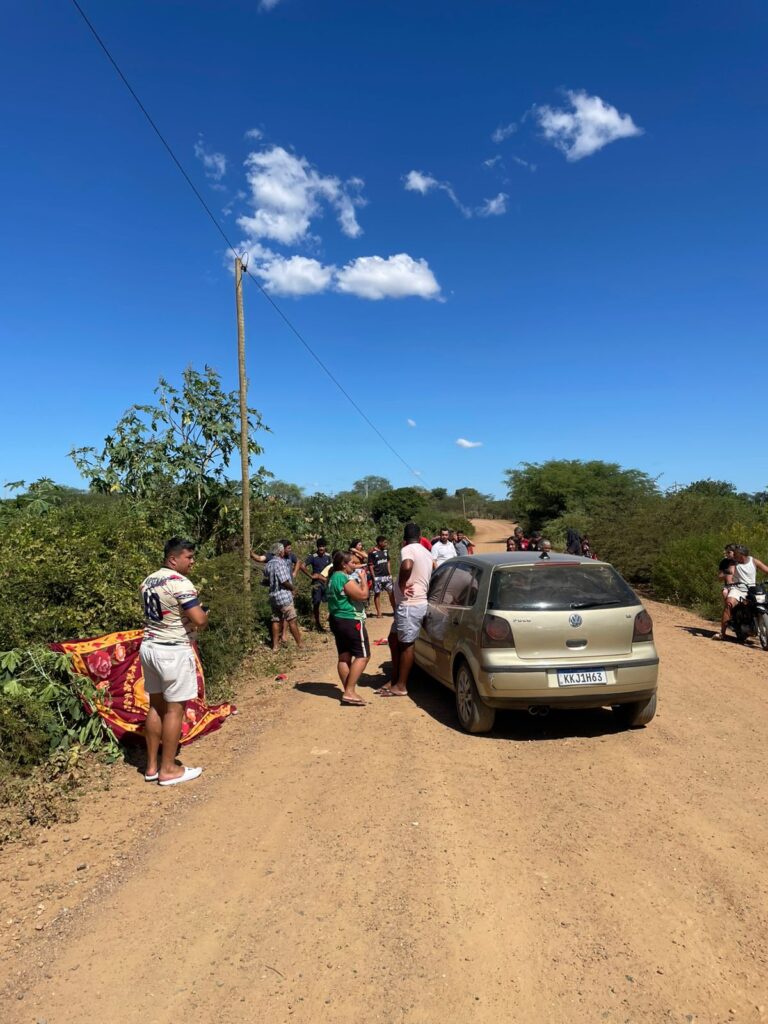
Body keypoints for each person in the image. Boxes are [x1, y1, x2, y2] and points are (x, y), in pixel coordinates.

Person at [139, 538, 208, 786]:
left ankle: (151, 767)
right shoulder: (180, 583)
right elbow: (199, 620)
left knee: (155, 706)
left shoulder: (147, 581)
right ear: (173, 559)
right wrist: (204, 615)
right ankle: (168, 769)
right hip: (173, 651)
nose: (192, 562)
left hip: (149, 647)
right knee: (174, 709)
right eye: (188, 557)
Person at [379, 522, 433, 698]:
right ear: (420, 536)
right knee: (393, 639)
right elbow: (435, 568)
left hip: (410, 605)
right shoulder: (426, 552)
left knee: (406, 645)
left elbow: (407, 566)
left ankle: (401, 685)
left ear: (404, 539)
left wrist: (402, 585)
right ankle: (394, 680)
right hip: (409, 605)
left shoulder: (408, 549)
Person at [327, 549, 371, 706]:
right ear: (343, 564)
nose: (355, 565)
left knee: (344, 657)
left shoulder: (333, 577)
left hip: (337, 619)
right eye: (352, 562)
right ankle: (350, 691)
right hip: (350, 619)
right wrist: (364, 579)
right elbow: (363, 595)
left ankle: (348, 692)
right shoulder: (342, 577)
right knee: (363, 655)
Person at [713, 544, 768, 641]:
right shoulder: (733, 563)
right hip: (738, 588)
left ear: (742, 555)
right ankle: (722, 633)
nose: (734, 556)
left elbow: (766, 570)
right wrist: (729, 581)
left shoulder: (754, 561)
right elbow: (730, 573)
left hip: (753, 588)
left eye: (736, 554)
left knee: (764, 602)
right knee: (729, 603)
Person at [266, 542, 302, 652]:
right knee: (292, 619)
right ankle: (300, 645)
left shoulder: (269, 564)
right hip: (283, 596)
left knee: (276, 620)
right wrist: (293, 588)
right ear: (280, 552)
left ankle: (275, 646)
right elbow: (284, 581)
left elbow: (266, 580)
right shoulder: (280, 563)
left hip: (273, 596)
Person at [301, 538, 332, 630]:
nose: (321, 548)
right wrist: (311, 576)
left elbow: (332, 567)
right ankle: (317, 624)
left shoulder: (328, 556)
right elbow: (302, 566)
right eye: (319, 546)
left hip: (326, 583)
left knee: (331, 602)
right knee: (316, 603)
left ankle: (331, 622)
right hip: (317, 584)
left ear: (325, 547)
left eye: (323, 546)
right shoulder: (313, 557)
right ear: (317, 547)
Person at [368, 535, 394, 618]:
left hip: (387, 576)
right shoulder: (372, 552)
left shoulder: (385, 551)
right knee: (377, 594)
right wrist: (373, 576)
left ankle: (395, 610)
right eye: (385, 542)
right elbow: (370, 565)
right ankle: (379, 613)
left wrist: (390, 573)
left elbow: (388, 561)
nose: (386, 544)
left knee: (391, 593)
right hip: (377, 577)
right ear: (380, 542)